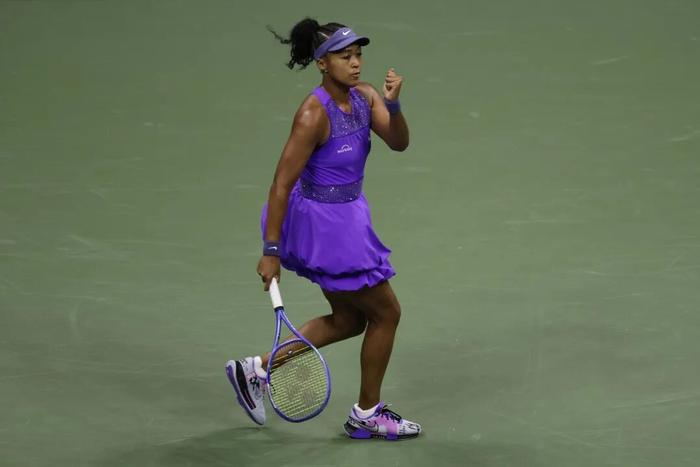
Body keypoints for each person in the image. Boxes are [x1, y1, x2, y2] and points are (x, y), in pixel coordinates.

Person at [225, 18, 421, 441]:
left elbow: (399, 142)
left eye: (358, 55)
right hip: (326, 226)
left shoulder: (367, 96)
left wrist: (394, 105)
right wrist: (270, 250)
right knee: (387, 313)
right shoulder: (313, 114)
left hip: (348, 216)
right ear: (322, 63)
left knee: (349, 320)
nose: (355, 63)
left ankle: (255, 370)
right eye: (344, 56)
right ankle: (367, 413)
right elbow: (281, 183)